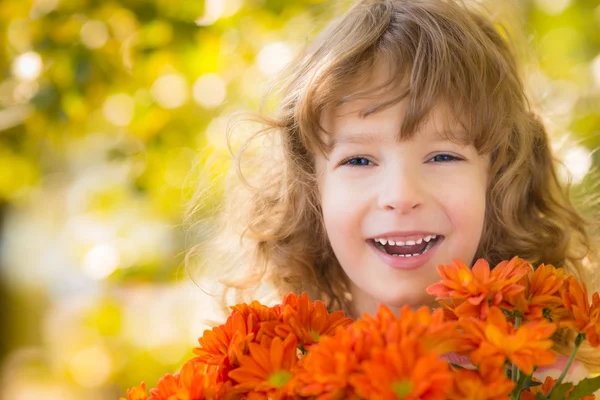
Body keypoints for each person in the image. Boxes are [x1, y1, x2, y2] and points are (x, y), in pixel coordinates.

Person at [185, 0, 600, 381]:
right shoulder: (267, 375)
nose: (401, 195)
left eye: (442, 157)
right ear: (311, 190)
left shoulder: (550, 382)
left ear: (498, 177)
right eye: (359, 161)